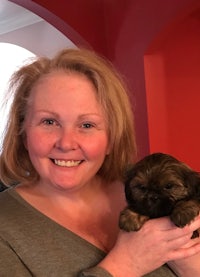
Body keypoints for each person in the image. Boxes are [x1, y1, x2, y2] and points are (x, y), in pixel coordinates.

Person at [0, 47, 200, 277]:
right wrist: (125, 266)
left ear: (112, 139)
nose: (66, 143)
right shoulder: (5, 227)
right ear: (23, 133)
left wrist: (190, 264)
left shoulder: (140, 185)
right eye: (49, 122)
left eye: (87, 125)